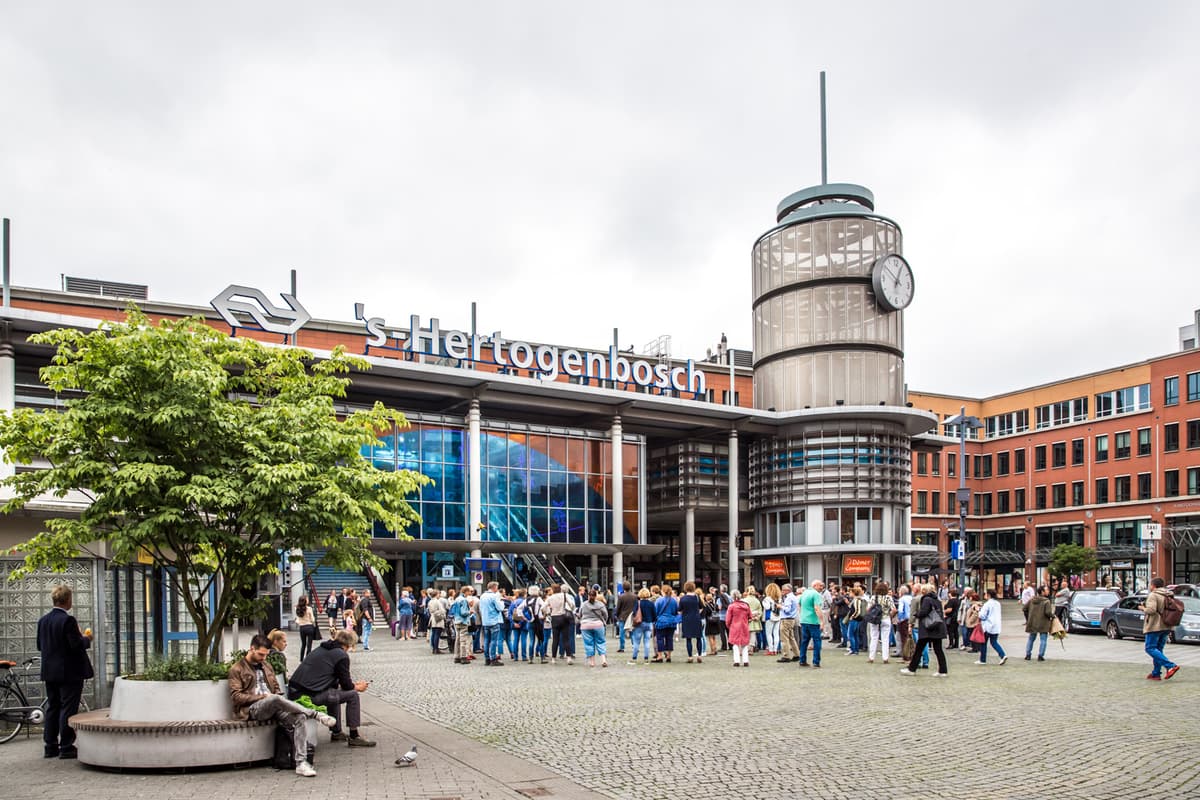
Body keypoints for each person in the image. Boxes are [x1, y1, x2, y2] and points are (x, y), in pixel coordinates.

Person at [230, 633, 336, 777]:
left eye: (266, 655)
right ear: (252, 649)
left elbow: (276, 689)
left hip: (275, 705)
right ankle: (316, 714)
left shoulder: (266, 665)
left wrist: (276, 697)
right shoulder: (237, 669)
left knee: (299, 718)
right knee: (274, 699)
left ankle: (301, 763)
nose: (264, 658)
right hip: (253, 709)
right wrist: (264, 697)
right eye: (261, 654)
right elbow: (236, 697)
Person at [287, 629, 376, 747]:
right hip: (309, 696)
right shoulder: (341, 655)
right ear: (349, 644)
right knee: (353, 696)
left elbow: (334, 682)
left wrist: (352, 685)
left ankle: (336, 732)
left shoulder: (322, 649)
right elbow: (346, 685)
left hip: (296, 692)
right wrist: (358, 687)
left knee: (334, 694)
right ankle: (354, 736)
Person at [36, 584, 94, 759]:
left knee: (53, 707)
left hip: (50, 671)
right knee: (68, 708)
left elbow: (40, 645)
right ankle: (66, 746)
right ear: (67, 600)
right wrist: (86, 638)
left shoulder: (43, 621)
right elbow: (75, 645)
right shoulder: (68, 620)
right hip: (69, 672)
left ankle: (50, 746)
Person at [900, 584, 947, 676]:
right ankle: (943, 670)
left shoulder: (926, 599)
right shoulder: (937, 599)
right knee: (938, 650)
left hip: (928, 628)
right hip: (937, 627)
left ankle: (911, 669)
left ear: (924, 591)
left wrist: (916, 614)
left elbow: (924, 611)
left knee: (919, 648)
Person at [1141, 577, 1180, 681]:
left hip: (1155, 626)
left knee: (1150, 648)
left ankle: (1170, 666)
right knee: (1158, 649)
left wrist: (1142, 608)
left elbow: (1151, 610)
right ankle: (1156, 673)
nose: (1150, 587)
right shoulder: (1168, 594)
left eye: (1150, 585)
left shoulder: (1153, 595)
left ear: (1153, 585)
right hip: (1167, 625)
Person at [975, 588, 1008, 665]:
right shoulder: (997, 603)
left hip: (987, 626)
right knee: (994, 642)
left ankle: (982, 660)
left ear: (988, 595)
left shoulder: (987, 604)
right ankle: (1002, 655)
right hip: (996, 626)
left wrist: (977, 610)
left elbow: (982, 615)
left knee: (983, 643)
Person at [797, 580, 825, 668]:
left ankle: (802, 660)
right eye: (820, 586)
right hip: (813, 621)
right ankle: (816, 662)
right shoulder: (816, 594)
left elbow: (799, 606)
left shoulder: (804, 593)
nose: (822, 587)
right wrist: (822, 621)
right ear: (815, 585)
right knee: (817, 641)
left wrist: (801, 617)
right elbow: (817, 608)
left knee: (804, 641)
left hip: (804, 620)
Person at [866, 581, 896, 664]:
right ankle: (885, 658)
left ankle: (871, 657)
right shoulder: (888, 598)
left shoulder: (873, 597)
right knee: (885, 639)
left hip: (875, 619)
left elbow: (868, 609)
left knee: (874, 637)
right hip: (886, 618)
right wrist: (890, 616)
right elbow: (894, 609)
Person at [579, 588, 610, 667]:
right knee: (601, 642)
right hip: (598, 625)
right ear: (596, 596)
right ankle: (603, 660)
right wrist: (603, 621)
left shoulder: (583, 604)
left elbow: (580, 614)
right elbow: (606, 614)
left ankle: (592, 662)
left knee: (589, 644)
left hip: (586, 625)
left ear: (588, 596)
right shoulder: (600, 604)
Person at [478, 581, 507, 666]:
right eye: (497, 587)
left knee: (487, 640)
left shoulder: (482, 596)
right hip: (494, 620)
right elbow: (500, 607)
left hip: (485, 621)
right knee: (494, 640)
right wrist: (502, 602)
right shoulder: (494, 596)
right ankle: (493, 658)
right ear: (494, 587)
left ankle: (487, 659)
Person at [1024, 584, 1055, 661]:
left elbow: (1024, 609)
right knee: (1043, 639)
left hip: (1033, 622)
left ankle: (1028, 655)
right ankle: (1040, 656)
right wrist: (1053, 616)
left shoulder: (1032, 600)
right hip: (1043, 623)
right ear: (1042, 592)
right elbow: (1048, 612)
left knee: (1031, 638)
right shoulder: (1046, 601)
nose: (1048, 591)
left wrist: (1028, 618)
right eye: (1046, 590)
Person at [628, 587, 656, 665]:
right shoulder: (651, 603)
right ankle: (646, 659)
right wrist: (652, 621)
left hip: (639, 624)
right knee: (647, 641)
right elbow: (654, 614)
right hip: (648, 624)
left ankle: (634, 658)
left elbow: (634, 613)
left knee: (636, 642)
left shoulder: (638, 603)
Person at [724, 590, 752, 667]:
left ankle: (737, 661)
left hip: (734, 626)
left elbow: (728, 619)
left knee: (735, 644)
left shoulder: (731, 606)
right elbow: (750, 616)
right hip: (744, 626)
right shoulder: (746, 606)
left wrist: (728, 625)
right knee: (744, 644)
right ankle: (746, 661)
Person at [653, 584, 680, 663]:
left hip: (661, 622)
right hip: (671, 622)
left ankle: (660, 656)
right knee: (669, 639)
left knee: (660, 639)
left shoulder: (659, 600)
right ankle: (668, 656)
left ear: (663, 591)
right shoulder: (674, 601)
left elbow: (656, 611)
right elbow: (676, 612)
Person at [679, 581, 704, 663]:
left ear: (685, 588)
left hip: (687, 619)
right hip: (696, 618)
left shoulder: (683, 599)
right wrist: (697, 613)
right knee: (698, 637)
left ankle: (690, 656)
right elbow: (701, 607)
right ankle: (699, 655)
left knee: (688, 639)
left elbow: (679, 610)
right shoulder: (697, 597)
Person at [450, 586, 474, 664]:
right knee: (463, 640)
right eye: (469, 591)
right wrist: (470, 612)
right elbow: (463, 613)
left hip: (456, 621)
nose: (470, 593)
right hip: (463, 621)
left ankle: (456, 656)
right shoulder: (463, 600)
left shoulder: (457, 599)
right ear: (466, 591)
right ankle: (463, 657)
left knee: (457, 639)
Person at [776, 584, 799, 662]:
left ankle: (786, 656)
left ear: (787, 590)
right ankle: (796, 654)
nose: (782, 592)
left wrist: (780, 606)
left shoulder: (788, 598)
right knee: (791, 638)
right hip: (792, 619)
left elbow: (787, 609)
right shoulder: (793, 597)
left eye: (783, 590)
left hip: (786, 619)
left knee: (784, 638)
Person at [295, 596, 319, 660]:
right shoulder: (309, 608)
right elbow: (313, 619)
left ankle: (301, 659)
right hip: (309, 627)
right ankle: (307, 659)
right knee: (309, 645)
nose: (308, 600)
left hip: (302, 628)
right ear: (305, 601)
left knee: (303, 644)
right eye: (307, 599)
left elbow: (297, 620)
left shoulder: (297, 608)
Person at [844, 585, 866, 656]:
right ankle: (856, 650)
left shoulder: (856, 600)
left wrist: (852, 616)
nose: (849, 594)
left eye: (850, 592)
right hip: (857, 620)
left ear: (853, 593)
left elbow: (857, 610)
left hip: (854, 620)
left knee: (850, 635)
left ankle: (853, 650)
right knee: (855, 635)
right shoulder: (858, 600)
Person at [615, 586, 638, 653]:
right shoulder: (634, 596)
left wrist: (617, 615)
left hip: (623, 616)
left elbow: (618, 607)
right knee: (632, 632)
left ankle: (622, 647)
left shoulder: (621, 596)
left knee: (622, 632)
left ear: (624, 588)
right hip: (631, 616)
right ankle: (635, 646)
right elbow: (636, 606)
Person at [762, 583, 781, 656]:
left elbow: (767, 607)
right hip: (778, 616)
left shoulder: (767, 599)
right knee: (776, 633)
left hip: (769, 617)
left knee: (769, 633)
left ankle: (771, 649)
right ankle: (775, 649)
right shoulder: (779, 599)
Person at [745, 586, 764, 653]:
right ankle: (751, 649)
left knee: (746, 635)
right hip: (755, 620)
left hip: (746, 620)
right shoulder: (757, 600)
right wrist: (757, 617)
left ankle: (747, 648)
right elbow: (760, 611)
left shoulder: (744, 600)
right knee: (753, 635)